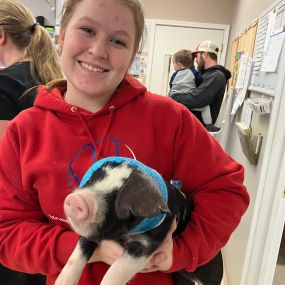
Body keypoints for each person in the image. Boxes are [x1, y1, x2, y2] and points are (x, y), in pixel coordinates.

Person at [0, 1, 249, 285]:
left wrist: (179, 250)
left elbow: (226, 190)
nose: (98, 50)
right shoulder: (24, 131)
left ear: (132, 57)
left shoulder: (169, 119)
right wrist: (86, 250)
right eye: (87, 29)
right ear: (62, 36)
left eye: (118, 41)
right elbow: (7, 231)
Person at [0, 0, 63, 284]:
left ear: (2, 36)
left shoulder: (5, 85)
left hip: (14, 219)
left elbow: (4, 163)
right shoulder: (53, 79)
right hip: (49, 215)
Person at [170, 40, 231, 134]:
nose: (195, 60)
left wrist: (173, 97)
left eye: (197, 56)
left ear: (205, 54)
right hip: (189, 127)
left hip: (197, 130)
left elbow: (197, 99)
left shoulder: (216, 76)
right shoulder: (204, 74)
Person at [169, 49, 217, 132]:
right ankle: (209, 125)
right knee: (206, 107)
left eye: (174, 64)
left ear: (179, 64)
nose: (174, 67)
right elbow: (199, 83)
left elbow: (171, 84)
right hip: (188, 99)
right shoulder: (194, 72)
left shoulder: (175, 74)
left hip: (175, 99)